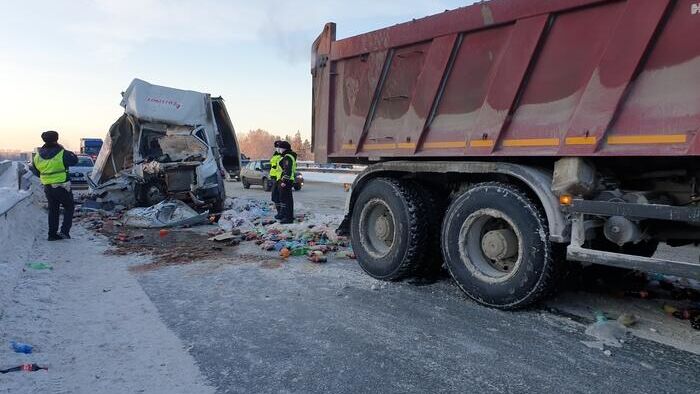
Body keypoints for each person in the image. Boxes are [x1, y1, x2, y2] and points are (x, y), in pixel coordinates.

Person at [30, 131, 79, 241]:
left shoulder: (38, 156)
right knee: (69, 207)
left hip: (47, 187)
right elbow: (74, 160)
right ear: (57, 139)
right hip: (62, 185)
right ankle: (64, 232)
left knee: (53, 210)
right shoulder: (62, 153)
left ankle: (52, 235)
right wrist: (65, 150)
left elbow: (36, 171)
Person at [277, 140, 297, 224]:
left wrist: (284, 180)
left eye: (280, 148)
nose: (279, 149)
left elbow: (287, 169)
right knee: (286, 199)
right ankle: (287, 216)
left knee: (287, 200)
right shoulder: (288, 156)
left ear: (284, 148)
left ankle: (288, 218)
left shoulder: (287, 157)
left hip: (287, 181)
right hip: (288, 180)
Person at [269, 141, 283, 219]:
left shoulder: (282, 156)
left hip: (279, 178)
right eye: (276, 147)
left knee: (279, 197)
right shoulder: (275, 155)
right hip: (274, 178)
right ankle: (279, 212)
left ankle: (281, 213)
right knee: (275, 197)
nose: (277, 148)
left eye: (278, 147)